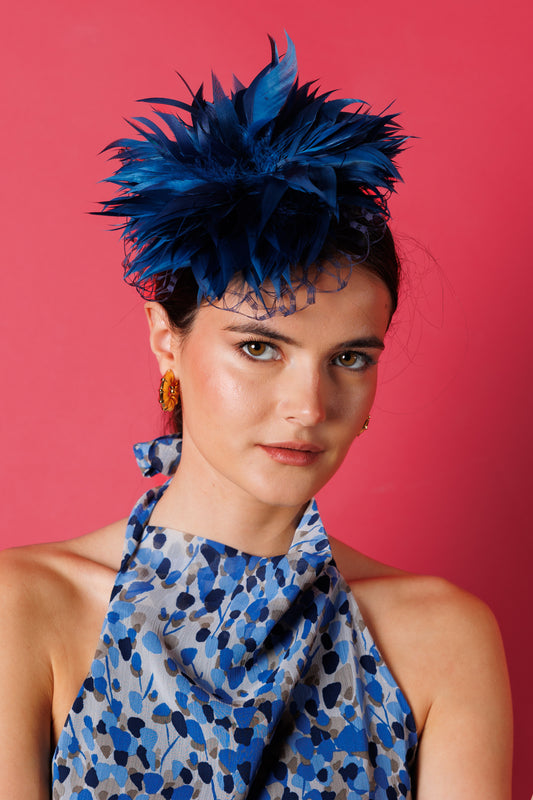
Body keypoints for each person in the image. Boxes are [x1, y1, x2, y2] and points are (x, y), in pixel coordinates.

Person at [0, 36, 512, 800]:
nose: (308, 406)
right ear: (166, 341)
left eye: (348, 358)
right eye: (259, 347)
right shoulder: (24, 609)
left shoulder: (441, 638)